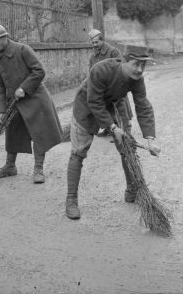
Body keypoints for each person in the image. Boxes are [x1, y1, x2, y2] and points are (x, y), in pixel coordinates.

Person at [65, 44, 161, 220]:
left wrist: (150, 140)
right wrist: (113, 128)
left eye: (143, 65)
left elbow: (142, 105)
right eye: (136, 64)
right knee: (79, 152)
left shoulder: (137, 78)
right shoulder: (101, 70)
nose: (140, 70)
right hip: (86, 106)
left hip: (114, 106)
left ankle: (132, 190)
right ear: (124, 61)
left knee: (127, 148)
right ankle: (71, 200)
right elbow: (94, 102)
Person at [0, 22, 63, 184]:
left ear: (5, 38)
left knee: (38, 134)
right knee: (12, 132)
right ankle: (10, 166)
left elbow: (39, 71)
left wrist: (23, 88)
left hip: (35, 98)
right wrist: (1, 111)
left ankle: (38, 169)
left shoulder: (22, 49)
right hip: (14, 102)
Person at [88, 28, 134, 137]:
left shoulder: (113, 52)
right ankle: (109, 129)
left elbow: (122, 68)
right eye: (92, 42)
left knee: (121, 111)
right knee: (106, 110)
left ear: (102, 40)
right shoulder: (92, 56)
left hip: (116, 87)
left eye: (96, 42)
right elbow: (91, 72)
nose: (94, 45)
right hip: (103, 89)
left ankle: (126, 133)